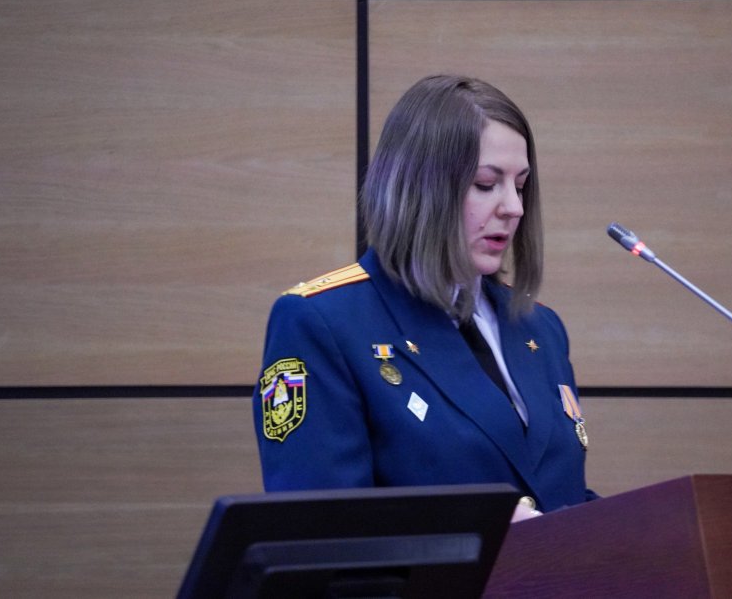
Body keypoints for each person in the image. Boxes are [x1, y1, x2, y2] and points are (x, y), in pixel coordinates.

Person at [253, 74, 597, 516]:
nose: (514, 207)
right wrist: (478, 527)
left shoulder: (540, 327)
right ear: (420, 189)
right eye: (486, 183)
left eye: (520, 185)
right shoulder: (323, 323)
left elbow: (558, 494)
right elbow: (315, 528)